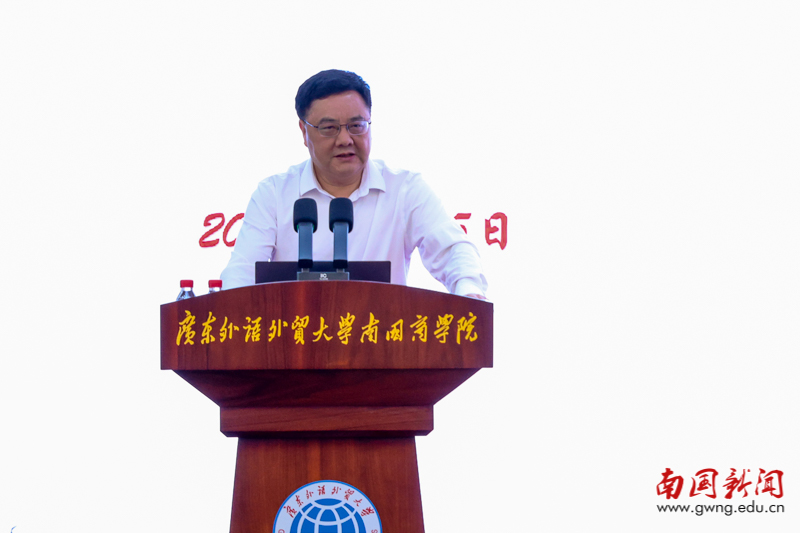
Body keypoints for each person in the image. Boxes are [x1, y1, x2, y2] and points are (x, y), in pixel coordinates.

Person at [220, 69, 487, 299]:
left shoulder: (405, 189)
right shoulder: (273, 194)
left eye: (356, 126)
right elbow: (242, 272)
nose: (345, 139)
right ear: (304, 131)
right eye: (329, 128)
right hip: (294, 339)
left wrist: (469, 290)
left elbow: (453, 250)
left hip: (382, 337)